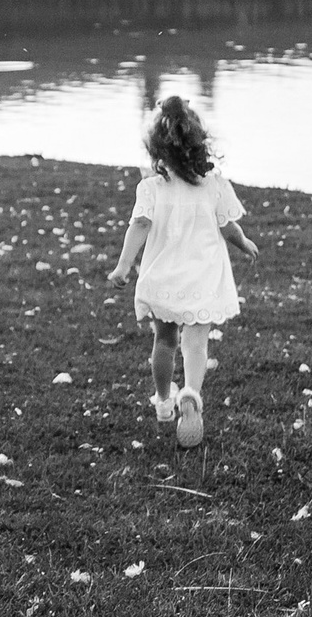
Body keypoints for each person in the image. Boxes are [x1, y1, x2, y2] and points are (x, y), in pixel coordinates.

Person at [105, 95, 258, 449]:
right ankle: (191, 391)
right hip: (203, 276)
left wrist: (124, 265)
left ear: (156, 148)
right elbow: (227, 226)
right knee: (196, 342)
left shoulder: (152, 187)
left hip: (164, 277)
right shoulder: (214, 183)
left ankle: (163, 401)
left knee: (165, 340)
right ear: (199, 143)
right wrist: (244, 242)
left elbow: (140, 225)